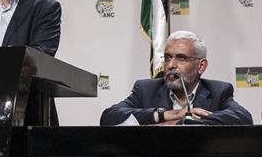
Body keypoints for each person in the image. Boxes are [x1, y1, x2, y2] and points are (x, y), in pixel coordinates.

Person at [101, 31, 252, 126]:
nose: (171, 65)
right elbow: (109, 117)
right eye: (167, 58)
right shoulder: (146, 89)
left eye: (181, 58)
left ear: (201, 66)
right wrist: (165, 115)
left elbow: (243, 117)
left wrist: (182, 122)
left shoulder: (218, 91)